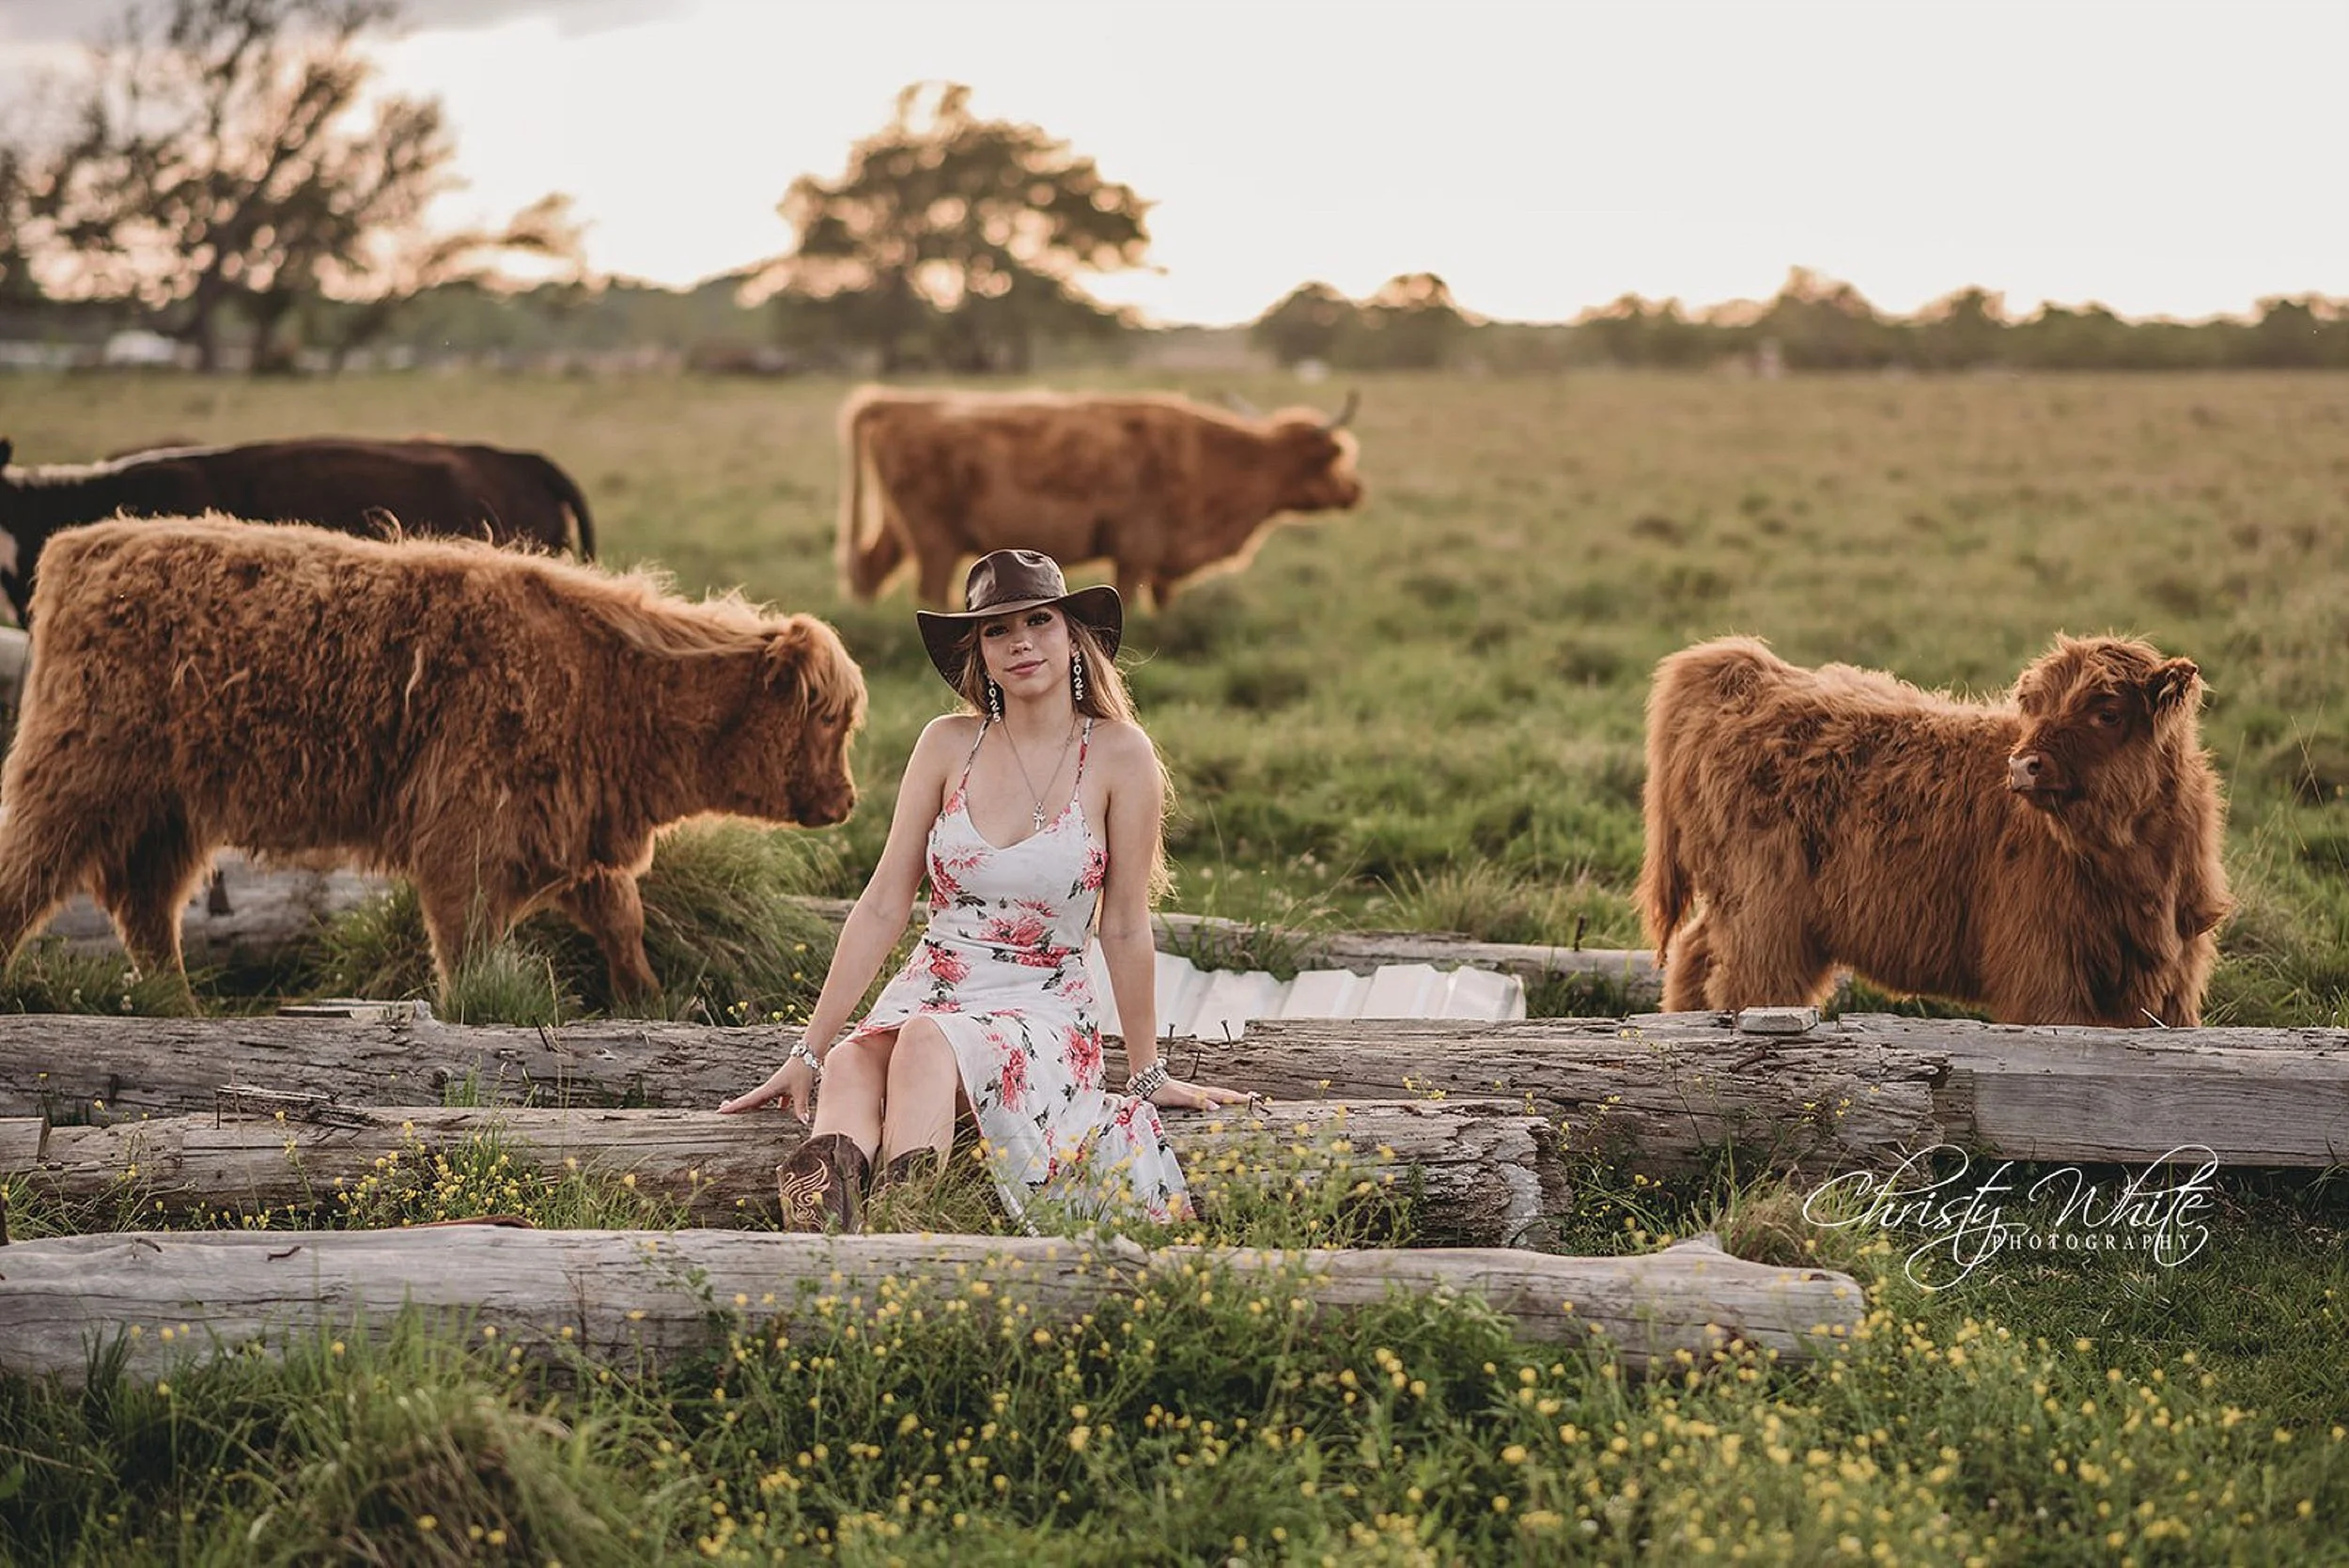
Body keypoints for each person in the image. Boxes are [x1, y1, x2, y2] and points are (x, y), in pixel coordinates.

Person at [721, 548, 1251, 1232]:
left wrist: (1147, 1073)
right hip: (936, 985)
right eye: (998, 630)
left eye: (1039, 620)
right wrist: (808, 1051)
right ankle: (826, 1253)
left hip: (1043, 1005)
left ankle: (906, 1240)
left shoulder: (1120, 753)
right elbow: (885, 901)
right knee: (854, 1061)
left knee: (923, 1042)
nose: (1020, 641)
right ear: (980, 651)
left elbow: (1123, 926)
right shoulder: (947, 745)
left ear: (1073, 636)